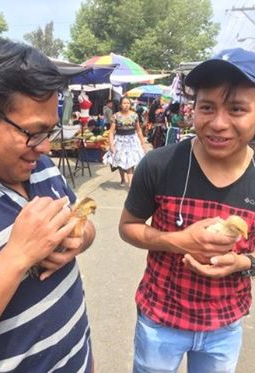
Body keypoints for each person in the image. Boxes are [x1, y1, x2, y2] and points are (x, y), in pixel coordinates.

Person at [119, 47, 255, 373]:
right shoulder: (159, 164)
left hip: (224, 326)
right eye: (206, 107)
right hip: (160, 320)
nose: (218, 123)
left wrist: (242, 262)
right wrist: (179, 241)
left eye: (237, 109)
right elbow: (128, 227)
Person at [0, 37, 96, 372]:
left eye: (49, 133)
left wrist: (78, 237)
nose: (44, 148)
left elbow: (83, 225)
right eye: (33, 132)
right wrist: (18, 255)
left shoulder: (38, 165)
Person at [103, 96, 146, 187]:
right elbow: (111, 132)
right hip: (120, 140)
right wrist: (111, 145)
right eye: (124, 103)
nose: (126, 105)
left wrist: (142, 143)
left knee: (130, 162)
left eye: (128, 103)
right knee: (121, 161)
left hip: (132, 140)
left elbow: (138, 130)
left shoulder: (135, 115)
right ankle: (123, 178)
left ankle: (131, 183)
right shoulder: (115, 116)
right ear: (120, 105)